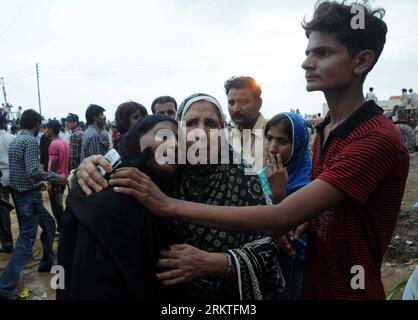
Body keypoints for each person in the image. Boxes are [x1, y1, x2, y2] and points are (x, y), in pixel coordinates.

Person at [84, 1, 409, 300]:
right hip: (313, 283)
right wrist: (88, 168)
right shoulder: (326, 129)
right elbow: (115, 180)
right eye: (309, 51)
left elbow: (279, 219)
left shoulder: (374, 138)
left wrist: (169, 208)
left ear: (362, 61)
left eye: (323, 53)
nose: (306, 62)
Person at [78, 94, 285, 300]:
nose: (201, 132)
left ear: (223, 130)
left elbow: (268, 249)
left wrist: (211, 262)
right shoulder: (166, 171)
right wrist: (87, 169)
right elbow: (125, 169)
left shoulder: (245, 178)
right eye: (191, 123)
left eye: (211, 124)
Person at [57, 115, 186, 300]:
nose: (174, 145)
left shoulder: (172, 192)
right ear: (134, 138)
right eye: (164, 136)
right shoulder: (103, 192)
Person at [0, 109, 67, 300]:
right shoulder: (29, 140)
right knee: (26, 241)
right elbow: (31, 170)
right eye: (40, 125)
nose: (41, 129)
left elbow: (20, 171)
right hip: (29, 197)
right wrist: (57, 178)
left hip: (24, 194)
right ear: (36, 124)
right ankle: (5, 287)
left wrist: (37, 184)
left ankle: (46, 260)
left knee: (48, 223)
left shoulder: (15, 140)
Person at [262, 113, 312, 300]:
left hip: (293, 267)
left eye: (282, 141)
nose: (272, 148)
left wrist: (278, 197)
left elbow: (293, 239)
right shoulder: (263, 174)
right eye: (269, 139)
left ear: (297, 146)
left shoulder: (309, 183)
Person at [226, 76, 268, 172]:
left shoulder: (272, 133)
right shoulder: (226, 138)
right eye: (231, 103)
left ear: (259, 103)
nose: (236, 109)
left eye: (244, 102)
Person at [45, 120, 70, 235]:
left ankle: (62, 229)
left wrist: (49, 182)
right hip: (64, 178)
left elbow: (53, 164)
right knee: (59, 206)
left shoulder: (53, 144)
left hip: (56, 180)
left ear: (50, 129)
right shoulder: (64, 142)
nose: (44, 130)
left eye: (46, 128)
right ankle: (63, 228)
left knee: (57, 208)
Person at [0, 115, 16, 253]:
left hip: (1, 180)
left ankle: (7, 243)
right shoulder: (12, 138)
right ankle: (25, 240)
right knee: (22, 209)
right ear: (5, 124)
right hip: (14, 177)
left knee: (3, 213)